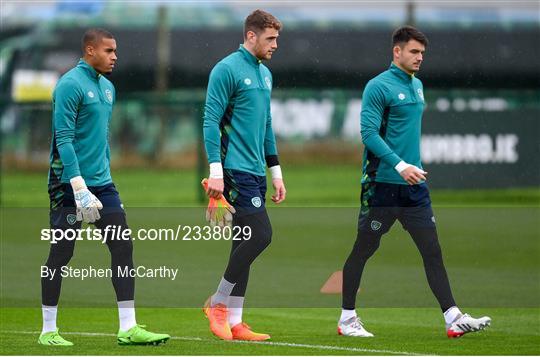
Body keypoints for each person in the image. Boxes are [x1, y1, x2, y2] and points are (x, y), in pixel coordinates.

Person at [338, 26, 491, 338]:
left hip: (414, 186)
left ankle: (453, 317)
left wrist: (412, 167)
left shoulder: (418, 86)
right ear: (397, 52)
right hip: (382, 184)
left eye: (422, 53)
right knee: (363, 249)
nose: (420, 58)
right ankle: (347, 319)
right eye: (414, 52)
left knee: (432, 251)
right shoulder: (377, 87)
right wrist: (399, 164)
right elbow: (368, 134)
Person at [40, 28, 170, 346]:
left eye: (116, 51)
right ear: (89, 50)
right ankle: (48, 331)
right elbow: (65, 140)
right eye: (109, 51)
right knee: (61, 253)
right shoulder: (70, 84)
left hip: (102, 184)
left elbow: (100, 140)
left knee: (122, 245)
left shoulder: (108, 88)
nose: (115, 57)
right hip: (67, 184)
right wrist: (78, 185)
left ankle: (128, 327)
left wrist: (101, 179)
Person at [202, 9, 286, 341]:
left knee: (242, 241)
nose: (276, 45)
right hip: (234, 170)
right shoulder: (226, 69)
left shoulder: (265, 74)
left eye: (277, 38)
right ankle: (218, 303)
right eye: (271, 38)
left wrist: (276, 172)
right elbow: (210, 120)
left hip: (256, 171)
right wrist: (215, 171)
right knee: (260, 235)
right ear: (251, 36)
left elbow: (266, 126)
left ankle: (235, 322)